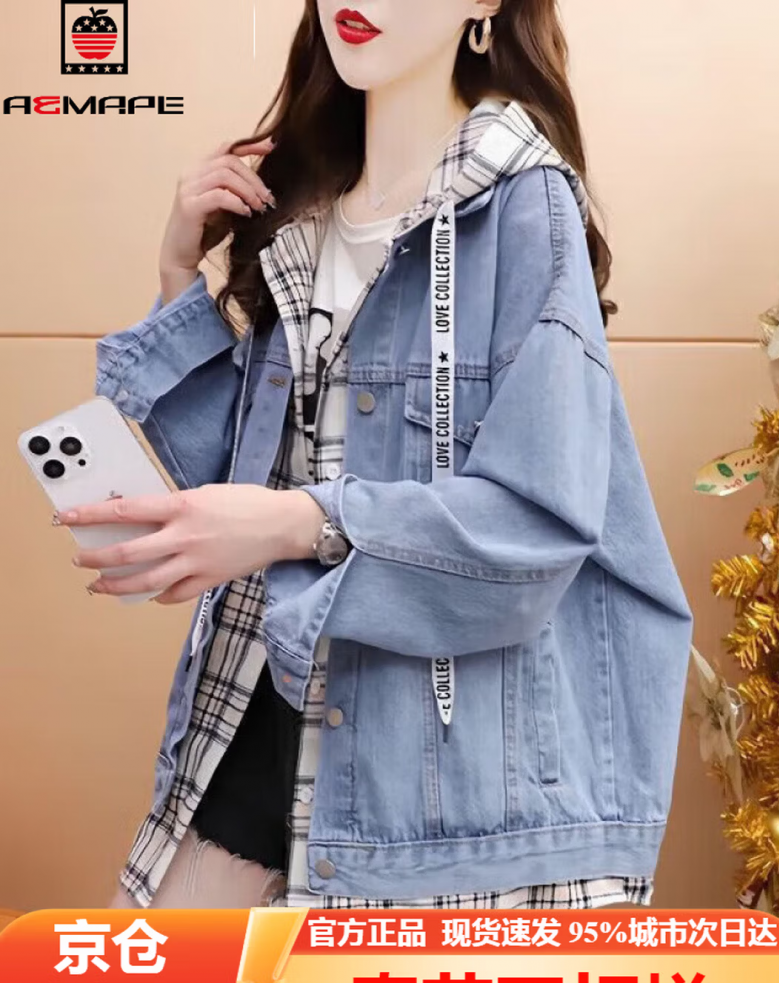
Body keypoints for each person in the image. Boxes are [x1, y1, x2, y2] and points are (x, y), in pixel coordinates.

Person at [54, 0, 694, 918]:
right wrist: (177, 277)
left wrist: (291, 523)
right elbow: (231, 484)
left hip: (420, 776)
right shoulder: (300, 210)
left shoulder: (523, 204)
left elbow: (536, 524)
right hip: (249, 715)